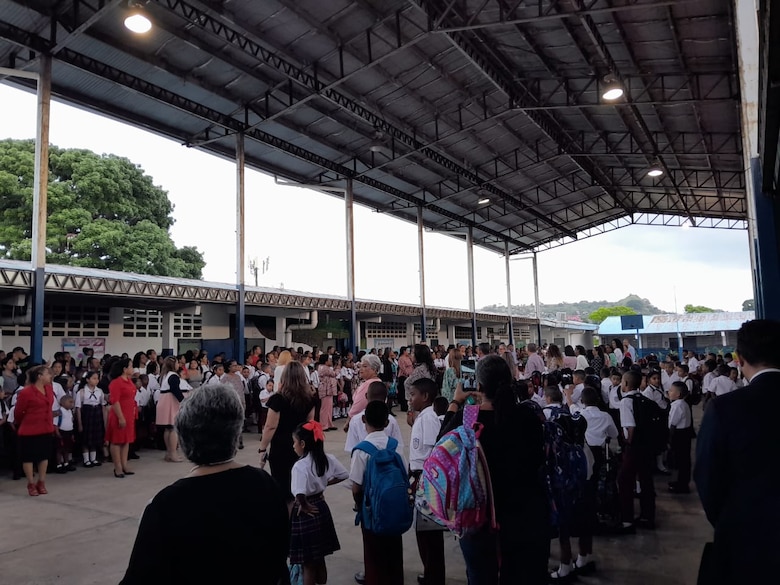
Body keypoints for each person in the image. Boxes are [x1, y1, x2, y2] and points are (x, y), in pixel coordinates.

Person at [120, 383, 289, 584]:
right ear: (235, 433)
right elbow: (280, 553)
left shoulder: (165, 505)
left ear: (183, 437)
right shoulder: (265, 485)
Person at [439, 354, 549, 584]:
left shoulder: (467, 418)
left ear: (478, 386)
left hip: (479, 515)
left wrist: (456, 402)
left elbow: (440, 451)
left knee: (481, 576)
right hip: (525, 513)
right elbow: (538, 458)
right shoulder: (528, 416)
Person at [694, 319, 780, 584]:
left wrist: (732, 517)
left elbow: (707, 478)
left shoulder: (724, 409)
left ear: (739, 359)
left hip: (747, 538)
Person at [558, 386, 618, 577]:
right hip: (588, 484)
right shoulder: (586, 450)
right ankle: (583, 558)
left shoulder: (564, 451)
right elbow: (614, 436)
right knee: (585, 522)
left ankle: (565, 566)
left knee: (564, 529)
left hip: (569, 493)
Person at [349, 401, 404, 585]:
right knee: (394, 553)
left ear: (364, 419)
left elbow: (356, 486)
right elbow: (403, 473)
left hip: (371, 512)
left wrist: (359, 505)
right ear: (387, 423)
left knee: (373, 555)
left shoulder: (362, 450)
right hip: (395, 509)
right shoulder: (394, 446)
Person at [289, 420, 348, 585]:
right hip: (321, 507)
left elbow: (299, 492)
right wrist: (322, 485)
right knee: (319, 557)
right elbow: (344, 474)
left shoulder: (300, 466)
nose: (293, 446)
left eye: (294, 442)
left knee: (308, 562)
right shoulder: (327, 459)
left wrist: (304, 504)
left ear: (302, 443)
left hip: (306, 510)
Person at [258, 361, 315, 502]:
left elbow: (270, 426)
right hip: (301, 445)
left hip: (280, 447)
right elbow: (310, 424)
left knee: (282, 487)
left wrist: (262, 448)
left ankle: (286, 519)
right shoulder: (310, 398)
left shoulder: (278, 399)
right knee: (299, 486)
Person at [408, 378, 445, 585]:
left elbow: (434, 451)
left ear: (425, 397)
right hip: (418, 477)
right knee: (422, 531)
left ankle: (434, 575)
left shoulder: (429, 418)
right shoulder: (421, 417)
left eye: (413, 395)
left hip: (427, 478)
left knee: (429, 533)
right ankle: (430, 571)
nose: (410, 399)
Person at [617, 370, 655, 531]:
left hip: (634, 447)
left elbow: (630, 427)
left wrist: (627, 443)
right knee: (646, 480)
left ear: (625, 384)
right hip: (647, 446)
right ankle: (647, 516)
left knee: (625, 480)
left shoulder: (626, 401)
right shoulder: (645, 399)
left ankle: (627, 519)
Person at [14, 365, 56, 496]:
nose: (50, 376)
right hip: (30, 428)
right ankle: (31, 483)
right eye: (47, 374)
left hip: (46, 427)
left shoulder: (49, 389)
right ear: (39, 376)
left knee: (44, 456)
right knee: (29, 457)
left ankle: (41, 482)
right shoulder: (27, 392)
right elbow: (18, 412)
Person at [345, 381, 404, 452]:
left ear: (366, 396)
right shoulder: (391, 419)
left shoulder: (356, 420)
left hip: (363, 459)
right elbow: (398, 447)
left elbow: (351, 449)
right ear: (386, 398)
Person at [106, 358, 137, 478]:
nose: (132, 368)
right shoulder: (116, 383)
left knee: (126, 440)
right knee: (116, 441)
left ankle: (124, 465)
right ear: (124, 369)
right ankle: (117, 467)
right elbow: (115, 401)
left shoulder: (129, 381)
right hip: (120, 414)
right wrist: (120, 417)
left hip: (129, 414)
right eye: (130, 366)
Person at [156, 357, 189, 463]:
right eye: (177, 363)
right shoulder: (173, 376)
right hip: (170, 401)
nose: (178, 364)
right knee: (174, 428)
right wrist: (183, 401)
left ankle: (169, 453)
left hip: (164, 401)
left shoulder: (164, 375)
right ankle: (173, 453)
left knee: (168, 428)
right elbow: (176, 390)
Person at [667, 381, 693, 494]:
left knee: (682, 460)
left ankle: (682, 485)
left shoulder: (677, 406)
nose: (669, 392)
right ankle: (681, 482)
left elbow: (672, 424)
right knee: (683, 460)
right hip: (685, 434)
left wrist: (669, 439)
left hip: (679, 434)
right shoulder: (683, 403)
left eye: (671, 390)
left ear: (678, 394)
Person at [75, 371, 105, 468]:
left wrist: (104, 420)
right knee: (85, 438)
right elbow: (78, 408)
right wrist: (79, 423)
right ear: (87, 380)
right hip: (86, 414)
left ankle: (93, 458)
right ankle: (86, 459)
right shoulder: (81, 392)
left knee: (95, 438)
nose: (96, 380)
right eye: (94, 378)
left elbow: (103, 405)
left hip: (96, 414)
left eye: (97, 378)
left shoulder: (99, 391)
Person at [346, 355, 383, 429]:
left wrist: (348, 422)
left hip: (363, 423)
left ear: (375, 369)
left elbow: (357, 406)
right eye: (361, 366)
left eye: (365, 366)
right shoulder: (379, 382)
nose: (361, 369)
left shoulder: (368, 384)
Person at [54, 395, 77, 474]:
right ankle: (59, 465)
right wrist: (57, 432)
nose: (72, 404)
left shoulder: (70, 411)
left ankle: (66, 463)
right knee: (59, 449)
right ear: (62, 403)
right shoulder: (59, 412)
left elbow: (71, 422)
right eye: (70, 402)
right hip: (61, 432)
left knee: (67, 449)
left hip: (69, 432)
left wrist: (72, 434)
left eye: (73, 402)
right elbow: (55, 424)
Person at [316, 355, 338, 431]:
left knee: (329, 407)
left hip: (328, 390)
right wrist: (337, 369)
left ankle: (328, 423)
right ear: (325, 361)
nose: (330, 361)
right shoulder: (324, 368)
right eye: (329, 359)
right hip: (325, 390)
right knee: (325, 408)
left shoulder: (323, 367)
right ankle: (323, 425)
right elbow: (334, 374)